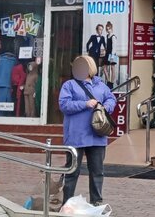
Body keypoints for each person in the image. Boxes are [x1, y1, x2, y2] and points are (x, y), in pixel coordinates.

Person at [59, 55, 116, 205]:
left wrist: (106, 106)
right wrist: (85, 104)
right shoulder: (69, 85)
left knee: (97, 172)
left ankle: (96, 202)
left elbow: (111, 99)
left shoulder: (101, 85)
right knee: (71, 172)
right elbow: (64, 105)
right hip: (75, 135)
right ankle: (67, 203)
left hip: (97, 135)